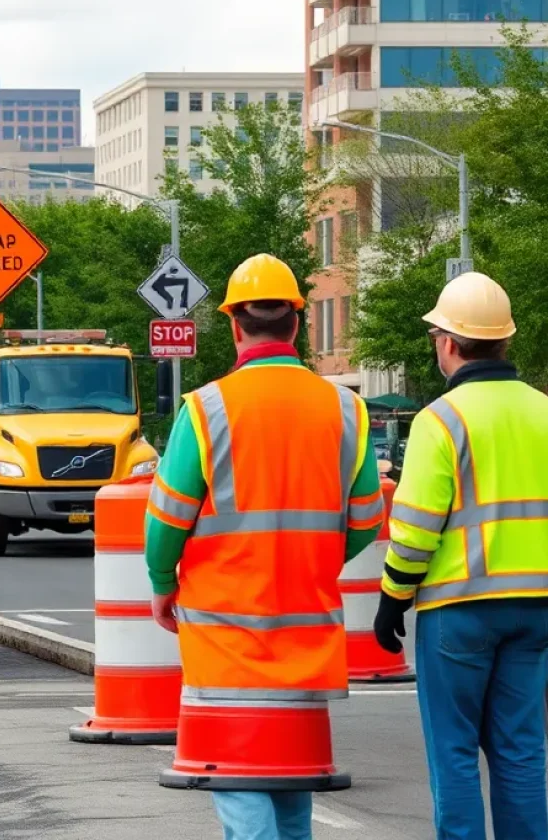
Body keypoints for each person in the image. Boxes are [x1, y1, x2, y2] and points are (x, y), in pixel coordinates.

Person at [146, 253, 384, 840]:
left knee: (236, 773)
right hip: (306, 627)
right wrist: (315, 560)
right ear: (297, 324)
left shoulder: (206, 409)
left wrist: (161, 585)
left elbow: (166, 521)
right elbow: (366, 520)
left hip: (225, 633)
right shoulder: (346, 409)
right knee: (291, 775)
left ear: (233, 325)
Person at [374, 271, 548, 840]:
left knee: (453, 755)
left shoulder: (440, 421)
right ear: (505, 340)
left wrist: (392, 599)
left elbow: (416, 529)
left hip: (459, 609)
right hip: (536, 609)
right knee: (522, 753)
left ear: (448, 343)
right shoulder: (544, 412)